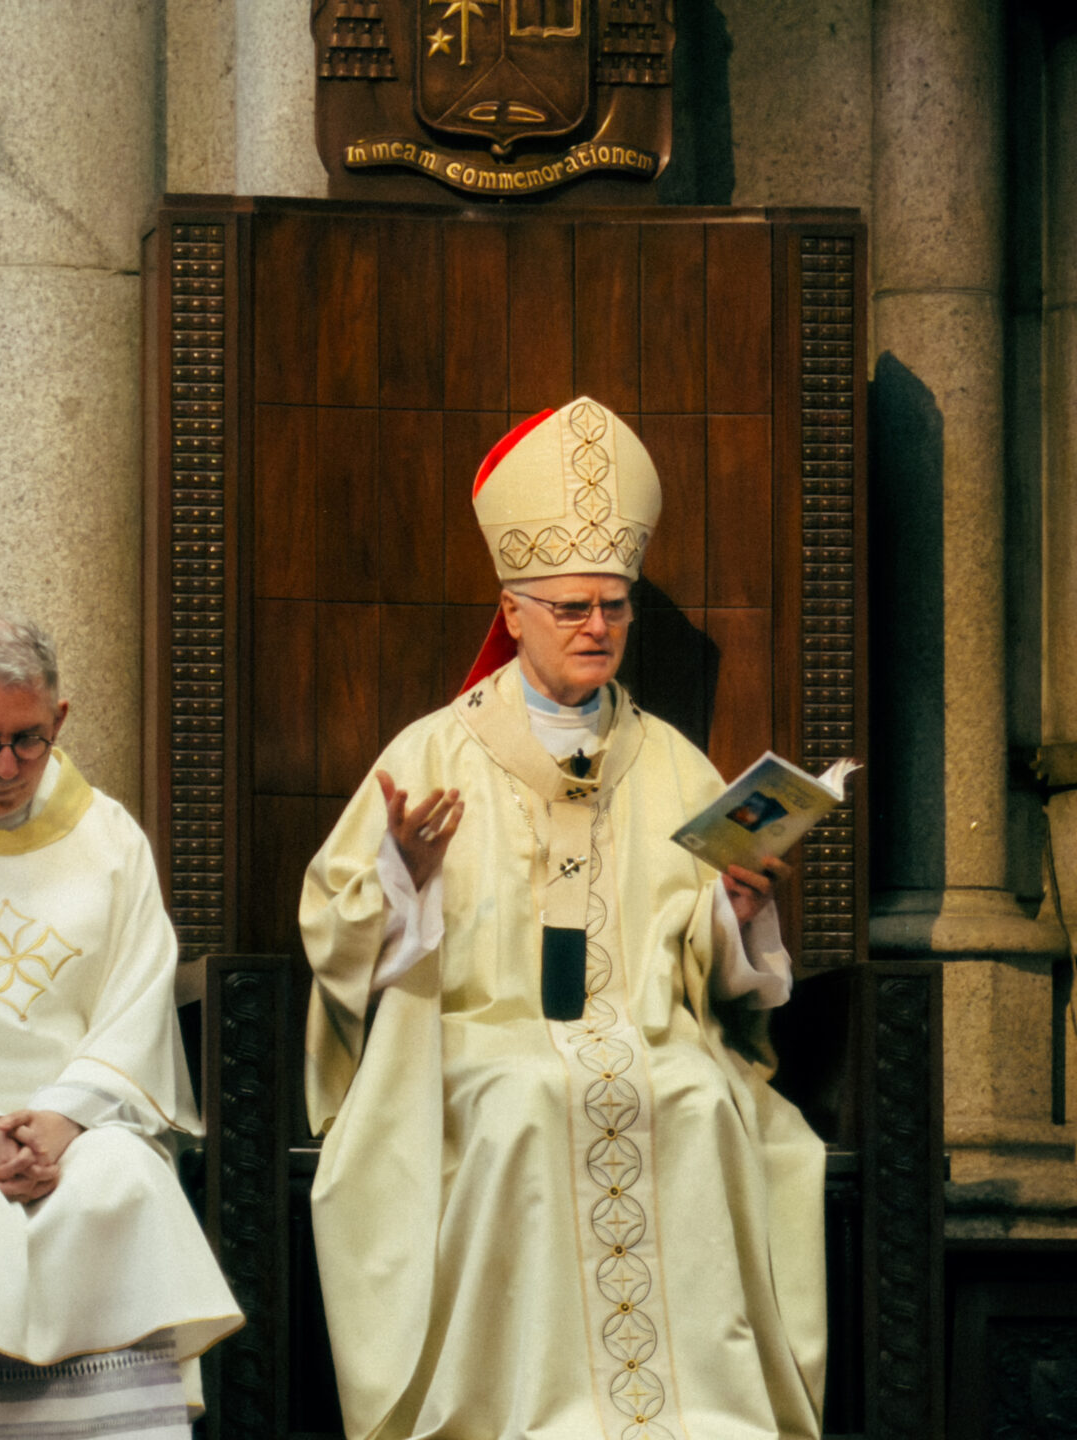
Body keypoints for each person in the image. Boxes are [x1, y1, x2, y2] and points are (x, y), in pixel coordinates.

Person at [301, 398, 827, 1440]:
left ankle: (695, 1417)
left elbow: (719, 978)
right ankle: (519, 1413)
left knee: (696, 1096)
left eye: (615, 608)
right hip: (479, 1042)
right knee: (525, 1099)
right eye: (574, 607)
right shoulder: (432, 754)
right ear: (514, 611)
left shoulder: (673, 761)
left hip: (648, 1032)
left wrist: (739, 915)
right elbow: (337, 930)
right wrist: (405, 875)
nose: (599, 628)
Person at [0, 617, 243, 1438]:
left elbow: (138, 994)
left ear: (60, 720)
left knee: (124, 1182)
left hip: (81, 1117)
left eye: (27, 740)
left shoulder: (108, 838)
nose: (4, 765)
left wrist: (64, 1118)